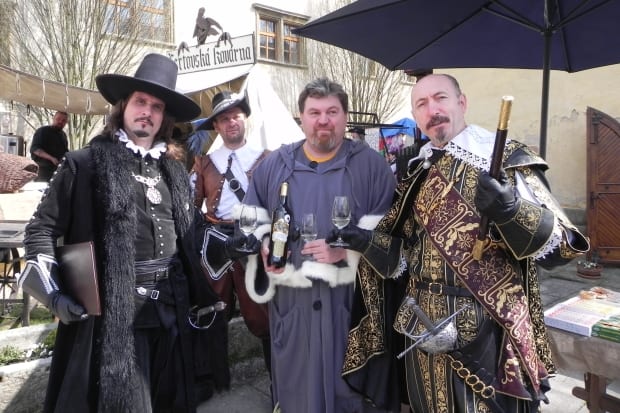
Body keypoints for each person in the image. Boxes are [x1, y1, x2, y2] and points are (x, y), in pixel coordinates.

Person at [329, 73, 590, 413]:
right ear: (416, 115)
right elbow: (405, 258)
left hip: (486, 330)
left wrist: (510, 210)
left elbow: (562, 247)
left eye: (441, 98)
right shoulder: (416, 172)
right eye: (421, 104)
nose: (432, 109)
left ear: (461, 102)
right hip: (418, 324)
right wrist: (366, 241)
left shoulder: (503, 160)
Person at [19, 53, 229, 412]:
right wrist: (53, 295)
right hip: (115, 319)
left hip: (173, 310)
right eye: (140, 102)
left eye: (156, 106)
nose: (147, 111)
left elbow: (192, 234)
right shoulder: (84, 164)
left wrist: (235, 245)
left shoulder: (174, 171)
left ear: (165, 117)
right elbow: (41, 229)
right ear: (123, 106)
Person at [240, 77, 397, 413]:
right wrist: (262, 246)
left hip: (350, 308)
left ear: (345, 116)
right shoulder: (274, 166)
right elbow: (249, 225)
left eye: (332, 112)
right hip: (292, 308)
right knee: (299, 394)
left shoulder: (373, 167)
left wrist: (350, 253)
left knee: (350, 395)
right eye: (314, 112)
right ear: (302, 117)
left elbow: (394, 238)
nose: (323, 120)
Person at [192, 90, 271, 375]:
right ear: (216, 126)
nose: (231, 122)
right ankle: (211, 380)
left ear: (245, 118)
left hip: (254, 241)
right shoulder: (204, 163)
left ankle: (276, 379)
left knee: (263, 315)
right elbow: (190, 206)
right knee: (214, 312)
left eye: (235, 116)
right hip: (217, 243)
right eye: (224, 119)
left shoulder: (267, 159)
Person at [30, 111, 69, 182]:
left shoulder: (63, 135)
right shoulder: (42, 131)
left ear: (66, 123)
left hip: (58, 171)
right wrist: (51, 158)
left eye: (63, 120)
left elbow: (65, 152)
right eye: (58, 119)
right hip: (42, 171)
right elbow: (35, 149)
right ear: (53, 118)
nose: (60, 122)